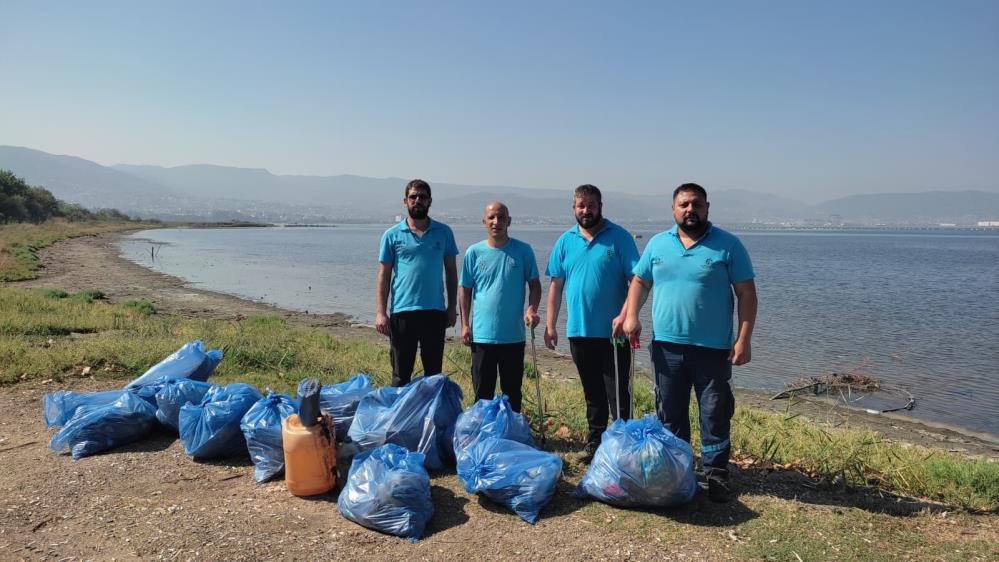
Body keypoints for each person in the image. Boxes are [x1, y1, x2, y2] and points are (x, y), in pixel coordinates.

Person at [623, 182, 757, 503]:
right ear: (673, 209)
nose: (690, 210)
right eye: (683, 204)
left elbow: (747, 294)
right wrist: (631, 315)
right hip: (666, 347)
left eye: (696, 204)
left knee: (714, 414)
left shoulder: (728, 245)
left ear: (707, 208)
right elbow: (640, 281)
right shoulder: (658, 243)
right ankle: (677, 472)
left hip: (713, 350)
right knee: (670, 413)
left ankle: (716, 474)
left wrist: (744, 339)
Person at [544, 184, 640, 461]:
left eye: (591, 205)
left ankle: (624, 447)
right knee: (592, 392)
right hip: (579, 331)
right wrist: (550, 326)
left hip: (614, 334)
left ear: (600, 206)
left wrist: (626, 315)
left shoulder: (619, 237)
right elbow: (556, 286)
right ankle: (595, 443)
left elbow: (636, 281)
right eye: (581, 205)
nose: (586, 210)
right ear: (574, 208)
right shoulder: (565, 241)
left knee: (618, 392)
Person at [458, 202, 541, 412]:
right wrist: (465, 324)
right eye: (492, 217)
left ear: (509, 221)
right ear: (484, 222)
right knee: (482, 393)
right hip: (482, 336)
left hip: (513, 336)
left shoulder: (523, 251)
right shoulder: (474, 252)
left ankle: (510, 429)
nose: (497, 222)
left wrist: (531, 309)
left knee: (512, 393)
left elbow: (535, 284)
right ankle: (482, 430)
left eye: (501, 217)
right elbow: (465, 289)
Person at [375, 179, 459, 386]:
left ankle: (430, 408)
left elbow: (451, 272)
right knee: (400, 375)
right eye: (413, 197)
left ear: (429, 201)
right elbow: (384, 275)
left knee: (433, 375)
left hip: (434, 312)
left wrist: (452, 308)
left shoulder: (444, 232)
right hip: (402, 311)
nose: (417, 200)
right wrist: (381, 312)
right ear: (405, 201)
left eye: (422, 197)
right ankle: (400, 408)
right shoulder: (392, 235)